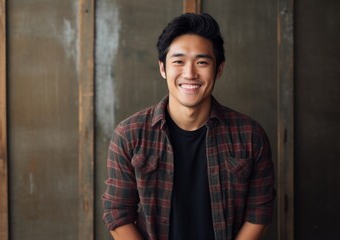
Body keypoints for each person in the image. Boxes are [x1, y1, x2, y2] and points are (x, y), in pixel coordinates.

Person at [102, 13, 275, 240]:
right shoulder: (129, 135)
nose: (190, 73)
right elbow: (117, 213)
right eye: (178, 61)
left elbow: (259, 212)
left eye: (202, 62)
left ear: (219, 69)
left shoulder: (250, 136)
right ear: (163, 68)